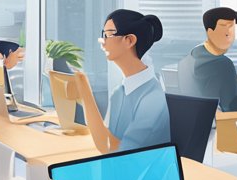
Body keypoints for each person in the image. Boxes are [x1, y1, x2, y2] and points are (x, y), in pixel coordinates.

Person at [73, 10, 170, 154]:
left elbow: (116, 150)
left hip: (141, 173)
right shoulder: (119, 92)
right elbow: (106, 141)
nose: (103, 41)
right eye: (103, 35)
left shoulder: (152, 98)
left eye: (109, 34)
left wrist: (85, 92)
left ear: (129, 40)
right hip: (119, 169)